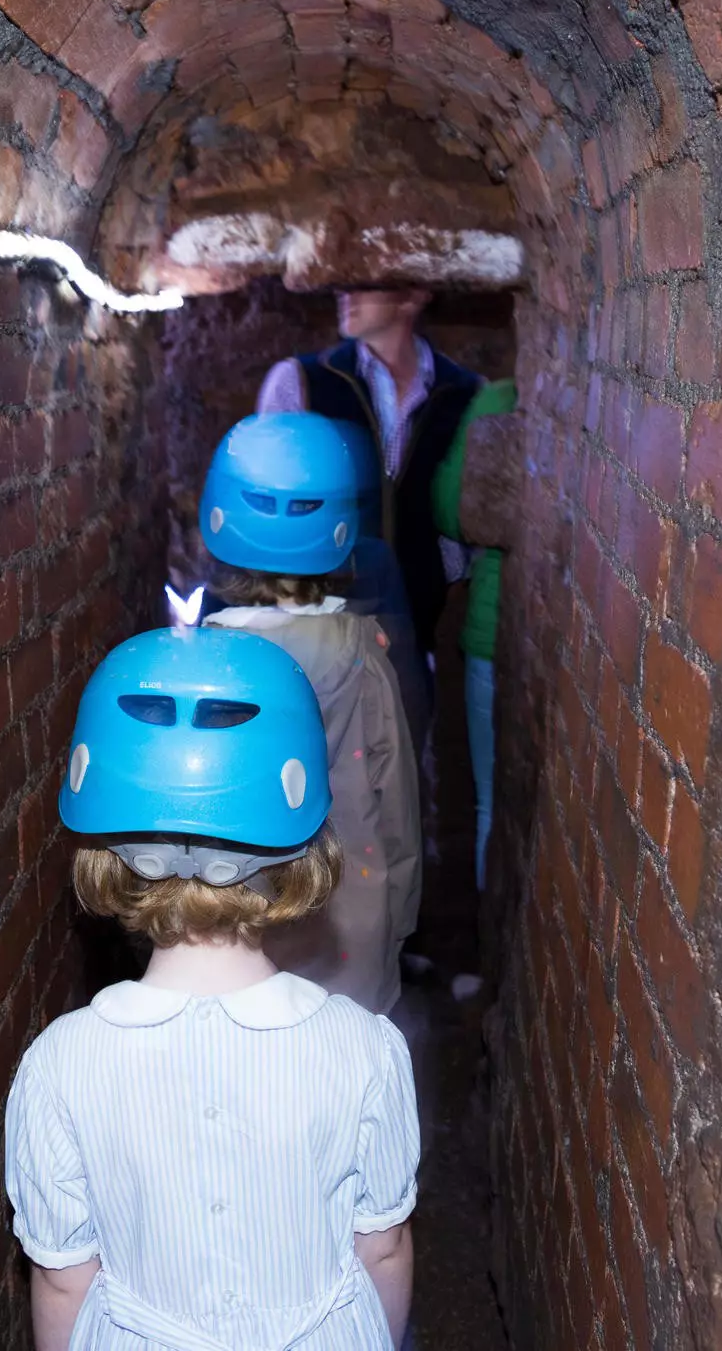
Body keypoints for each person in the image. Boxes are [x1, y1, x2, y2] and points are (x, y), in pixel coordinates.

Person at [6, 626, 419, 1351]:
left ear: (111, 853)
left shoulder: (57, 1066)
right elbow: (381, 1247)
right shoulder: (366, 1049)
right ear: (302, 847)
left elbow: (65, 1279)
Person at [196, 413, 422, 1013]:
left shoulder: (203, 665)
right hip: (350, 922)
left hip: (232, 931)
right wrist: (399, 918)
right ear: (343, 526)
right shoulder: (361, 656)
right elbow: (393, 795)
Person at [257, 286, 485, 753]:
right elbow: (264, 519)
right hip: (313, 639)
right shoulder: (298, 382)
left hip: (412, 645)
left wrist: (438, 596)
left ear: (414, 292)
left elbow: (467, 532)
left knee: (397, 793)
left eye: (368, 281)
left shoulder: (465, 395)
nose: (346, 291)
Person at [431, 379, 518, 892]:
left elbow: (450, 507)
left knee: (490, 802)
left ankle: (493, 965)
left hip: (490, 628)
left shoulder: (498, 399)